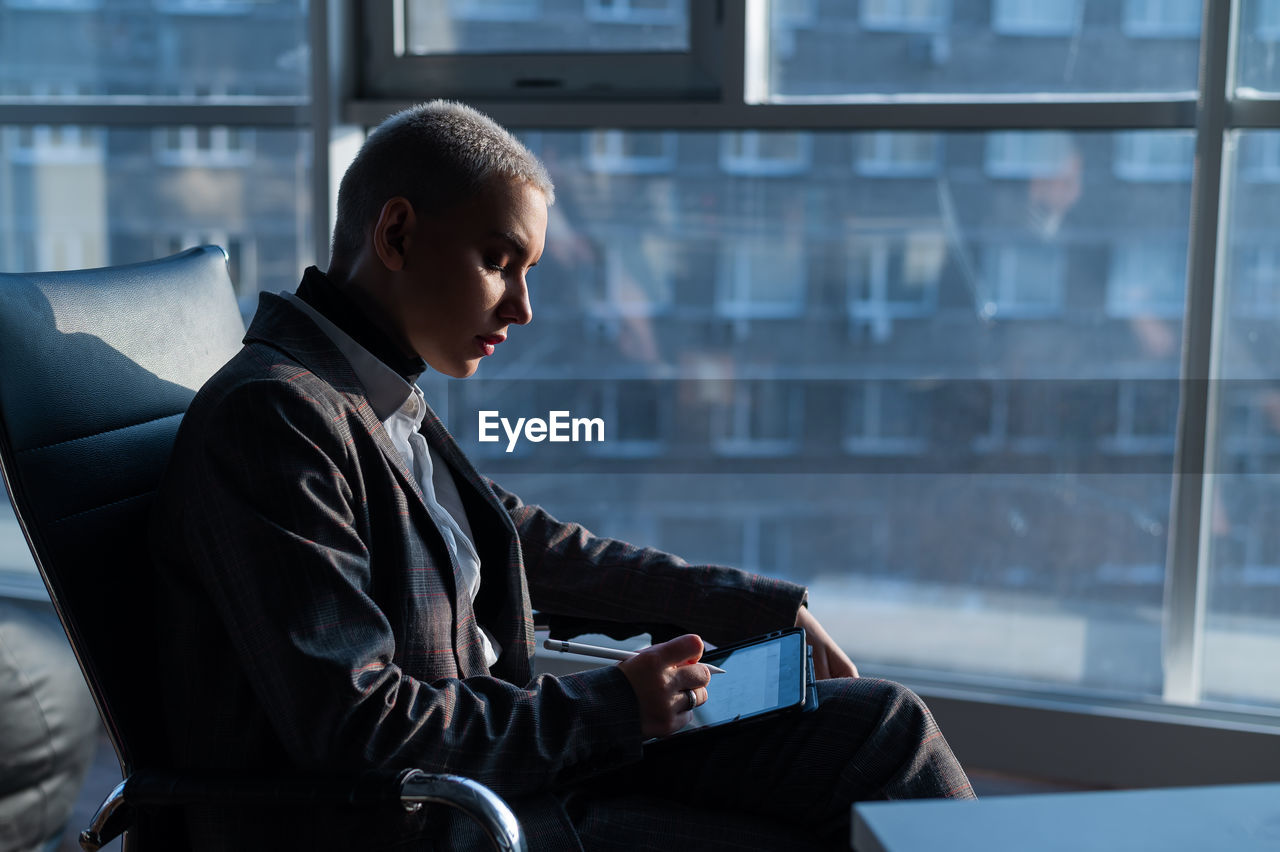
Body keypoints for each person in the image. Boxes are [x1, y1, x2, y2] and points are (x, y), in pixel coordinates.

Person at [150, 100, 974, 851]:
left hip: (500, 768)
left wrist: (756, 605)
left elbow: (529, 548)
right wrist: (617, 706)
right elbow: (357, 725)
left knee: (883, 729)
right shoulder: (278, 417)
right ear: (396, 236)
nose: (522, 308)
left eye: (529, 270)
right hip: (435, 819)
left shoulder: (371, 397)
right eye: (500, 260)